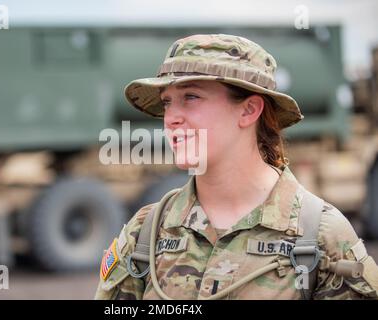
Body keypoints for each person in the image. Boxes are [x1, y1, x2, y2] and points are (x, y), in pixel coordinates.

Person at [94, 34, 378, 300]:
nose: (171, 118)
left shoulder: (321, 237)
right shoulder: (147, 233)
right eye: (167, 102)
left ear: (249, 110)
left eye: (190, 97)